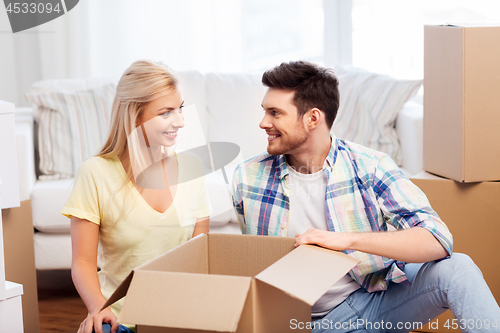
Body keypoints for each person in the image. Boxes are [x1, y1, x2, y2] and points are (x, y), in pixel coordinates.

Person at [231, 60, 500, 332]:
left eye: (275, 113)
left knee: (458, 268)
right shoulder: (247, 177)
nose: (263, 122)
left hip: (375, 301)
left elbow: (438, 239)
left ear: (313, 118)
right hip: (303, 322)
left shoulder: (370, 165)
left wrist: (346, 240)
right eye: (265, 111)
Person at [62, 60, 212, 333]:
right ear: (134, 116)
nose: (180, 121)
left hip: (177, 320)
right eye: (166, 112)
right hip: (121, 320)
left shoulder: (193, 167)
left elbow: (200, 254)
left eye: (180, 108)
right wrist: (98, 305)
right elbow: (83, 262)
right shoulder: (95, 173)